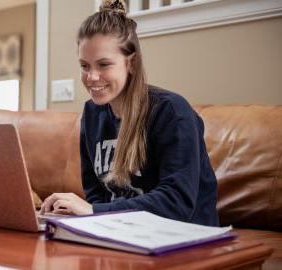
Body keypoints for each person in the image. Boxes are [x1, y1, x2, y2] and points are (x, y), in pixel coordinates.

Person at [40, 0, 219, 226]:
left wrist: (94, 211)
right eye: (85, 66)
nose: (91, 77)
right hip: (122, 230)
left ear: (131, 63)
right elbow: (96, 191)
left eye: (104, 65)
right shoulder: (92, 112)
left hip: (185, 234)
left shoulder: (171, 111)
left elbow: (177, 202)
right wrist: (85, 217)